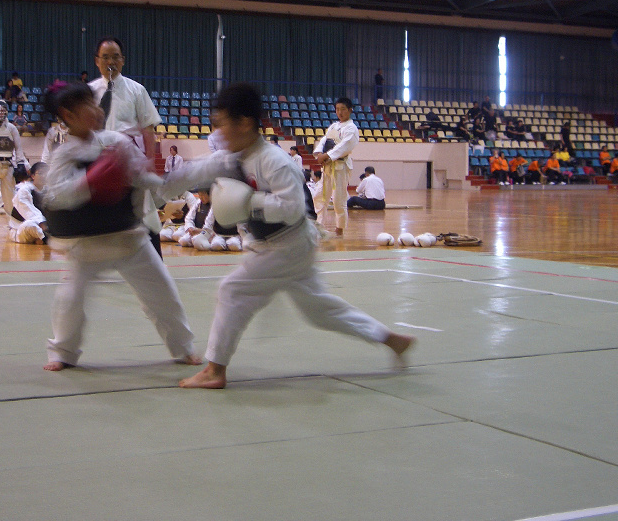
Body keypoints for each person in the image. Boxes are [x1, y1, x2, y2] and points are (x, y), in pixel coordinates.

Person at [161, 83, 414, 389]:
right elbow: (190, 172)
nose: (218, 133)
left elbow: (294, 207)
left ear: (243, 123)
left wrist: (248, 203)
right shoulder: (230, 158)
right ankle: (390, 339)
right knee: (319, 310)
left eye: (222, 124)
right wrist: (144, 182)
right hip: (278, 245)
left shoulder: (274, 160)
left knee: (232, 290)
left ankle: (215, 370)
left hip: (288, 244)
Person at [39, 81, 201, 371]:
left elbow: (141, 176)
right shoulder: (63, 155)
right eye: (88, 105)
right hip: (85, 245)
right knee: (70, 298)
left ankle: (183, 347)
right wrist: (91, 181)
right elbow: (57, 195)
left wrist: (167, 186)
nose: (97, 110)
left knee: (162, 293)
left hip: (127, 239)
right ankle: (62, 352)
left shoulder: (116, 141)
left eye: (95, 102)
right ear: (69, 115)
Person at [88, 37, 164, 255]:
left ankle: (154, 256)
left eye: (115, 56)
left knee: (144, 207)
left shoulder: (137, 90)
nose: (110, 61)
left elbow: (148, 128)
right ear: (97, 61)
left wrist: (150, 161)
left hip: (130, 157)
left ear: (123, 60)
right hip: (98, 157)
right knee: (99, 208)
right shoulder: (89, 92)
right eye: (105, 57)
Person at [313, 97, 359, 236]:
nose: (340, 112)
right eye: (337, 109)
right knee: (319, 196)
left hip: (340, 167)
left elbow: (344, 146)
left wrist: (326, 156)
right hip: (327, 167)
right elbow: (324, 140)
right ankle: (319, 226)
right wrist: (319, 153)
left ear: (350, 110)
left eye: (343, 109)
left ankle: (339, 229)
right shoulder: (333, 126)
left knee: (339, 200)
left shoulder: (352, 128)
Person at [8, 162, 49, 244]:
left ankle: (42, 237)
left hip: (46, 226)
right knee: (31, 225)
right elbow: (29, 212)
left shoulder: (49, 191)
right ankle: (46, 238)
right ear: (33, 175)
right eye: (41, 173)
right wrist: (43, 225)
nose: (44, 176)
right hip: (20, 229)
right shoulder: (24, 190)